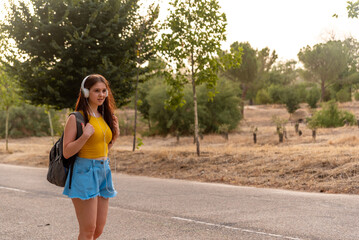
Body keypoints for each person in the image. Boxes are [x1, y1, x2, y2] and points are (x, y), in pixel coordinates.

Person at [62, 74, 119, 240]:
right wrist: (84, 136)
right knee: (88, 230)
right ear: (86, 92)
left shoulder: (104, 118)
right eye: (96, 91)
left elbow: (101, 150)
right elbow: (67, 152)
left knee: (98, 230)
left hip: (103, 171)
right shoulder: (76, 118)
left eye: (103, 91)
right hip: (84, 173)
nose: (101, 94)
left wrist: (113, 139)